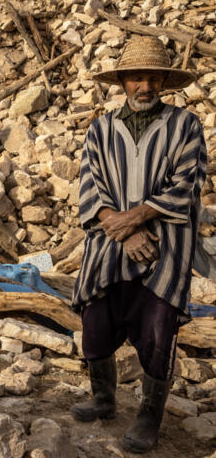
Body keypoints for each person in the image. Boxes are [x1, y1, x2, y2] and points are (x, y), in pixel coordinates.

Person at [71, 36, 207, 453]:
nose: (143, 86)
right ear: (122, 82)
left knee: (157, 325)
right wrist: (124, 227)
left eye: (152, 77)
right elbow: (90, 186)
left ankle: (149, 417)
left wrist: (140, 216)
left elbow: (189, 183)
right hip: (111, 242)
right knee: (96, 316)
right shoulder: (100, 128)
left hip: (164, 246)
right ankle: (104, 397)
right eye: (135, 77)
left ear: (164, 80)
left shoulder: (185, 126)